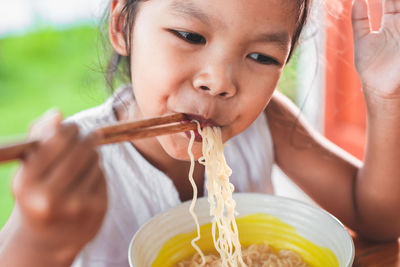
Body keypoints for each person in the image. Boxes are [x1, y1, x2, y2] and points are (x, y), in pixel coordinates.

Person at [1, 0, 400, 266]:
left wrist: (385, 97)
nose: (220, 81)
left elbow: (379, 220)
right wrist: (40, 240)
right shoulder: (78, 165)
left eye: (261, 56)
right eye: (191, 36)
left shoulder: (267, 121)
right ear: (123, 25)